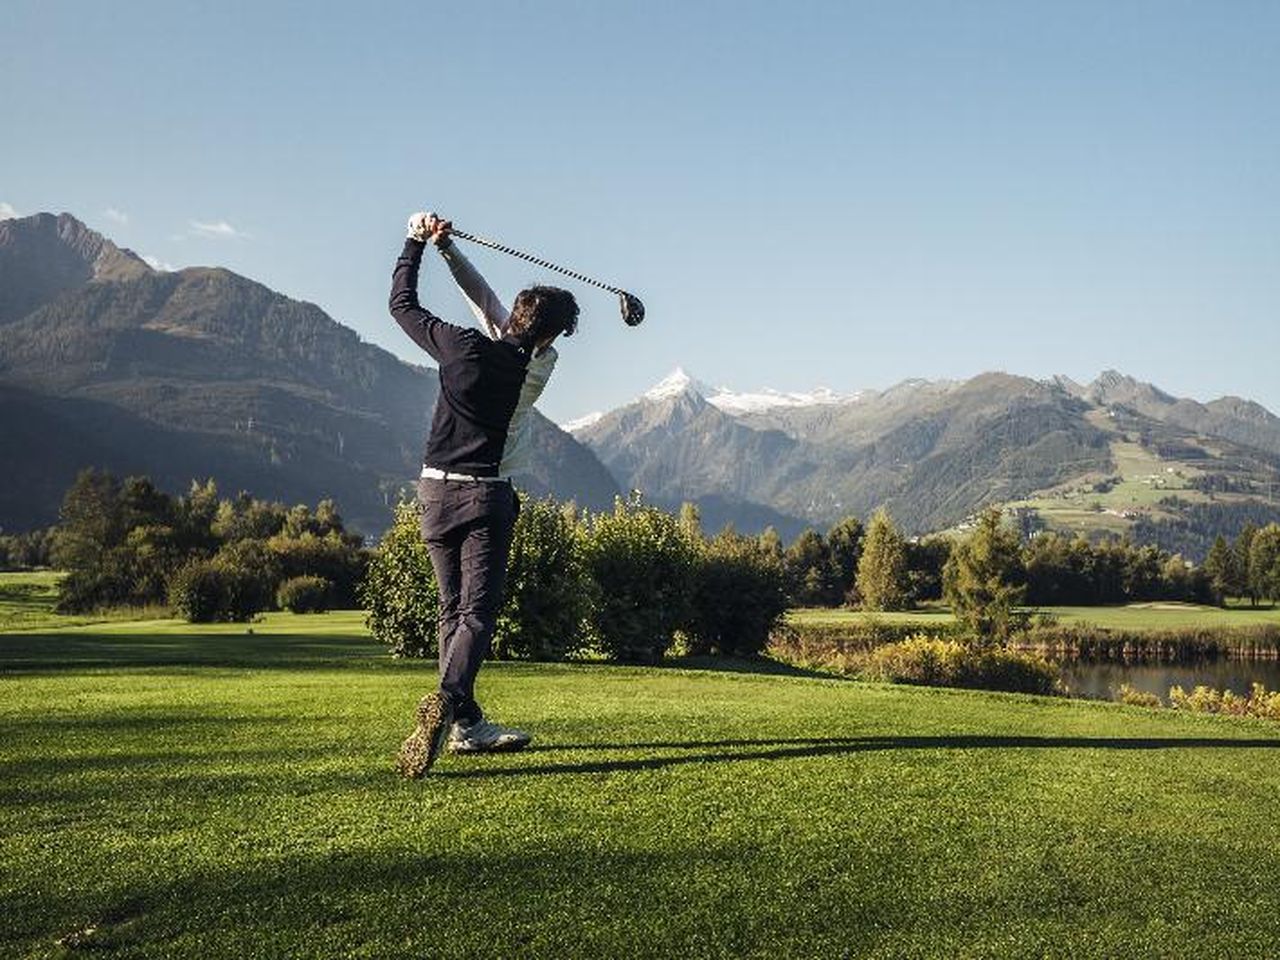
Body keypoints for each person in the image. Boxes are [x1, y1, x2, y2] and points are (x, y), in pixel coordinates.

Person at [389, 211, 578, 778]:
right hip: (486, 498)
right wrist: (445, 249)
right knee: (477, 611)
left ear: (513, 316)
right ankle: (447, 700)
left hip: (433, 494)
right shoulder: (539, 367)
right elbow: (495, 309)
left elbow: (403, 305)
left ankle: (467, 725)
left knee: (452, 610)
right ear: (549, 334)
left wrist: (421, 243)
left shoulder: (460, 347)